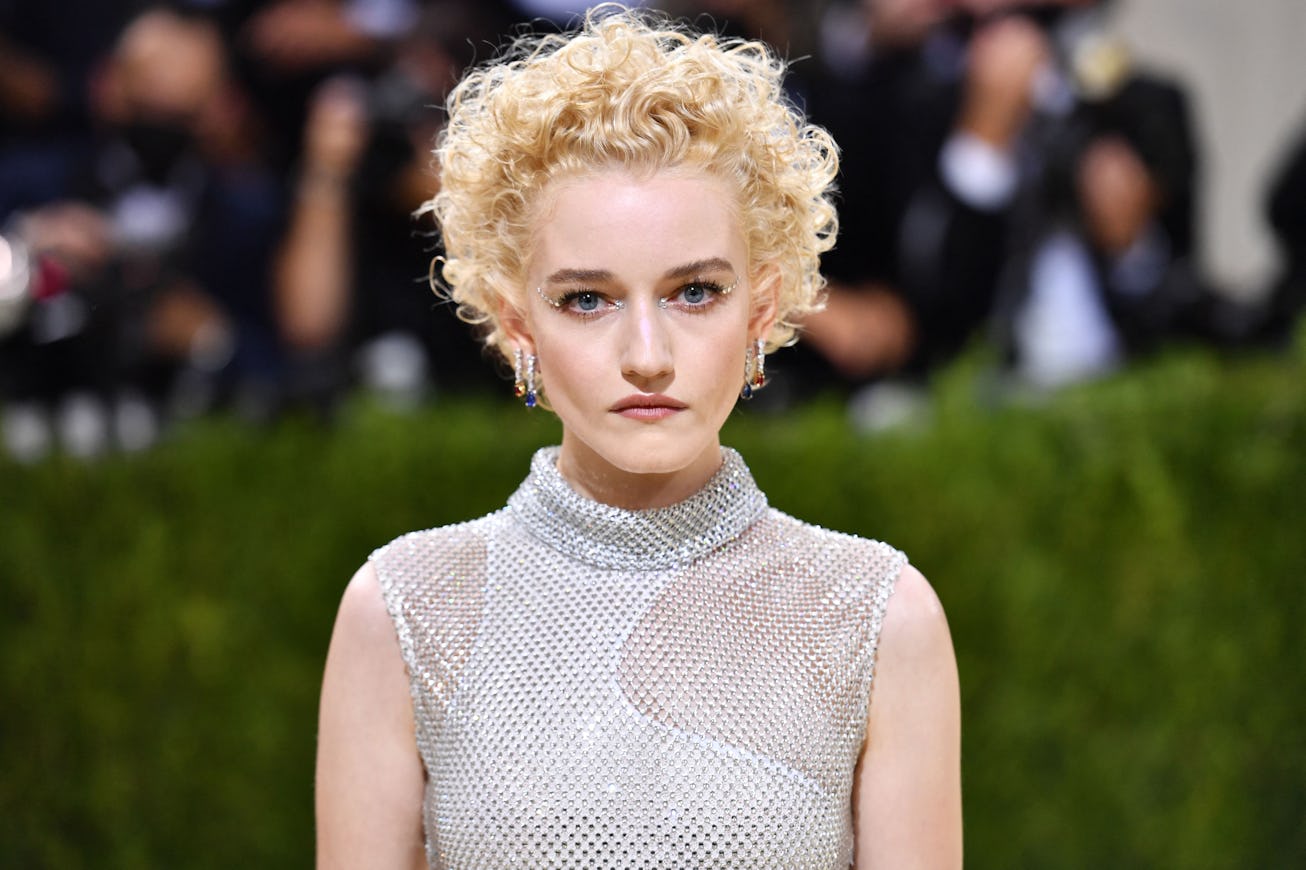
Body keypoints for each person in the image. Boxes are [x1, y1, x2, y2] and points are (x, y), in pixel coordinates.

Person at [315, 6, 961, 867]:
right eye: (588, 299)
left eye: (695, 292)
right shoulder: (404, 611)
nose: (647, 357)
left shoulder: (879, 617)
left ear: (761, 311)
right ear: (518, 329)